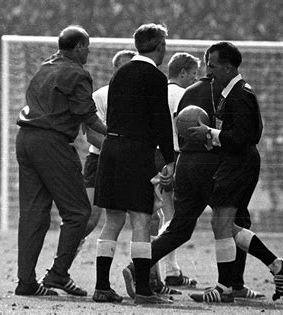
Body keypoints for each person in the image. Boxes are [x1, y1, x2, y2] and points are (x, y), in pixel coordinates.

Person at [124, 46, 265, 300]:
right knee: (235, 220)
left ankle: (138, 267)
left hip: (184, 162)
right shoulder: (222, 93)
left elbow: (179, 130)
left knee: (179, 227)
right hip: (214, 165)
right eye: (208, 65)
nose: (208, 69)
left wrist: (172, 164)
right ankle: (235, 284)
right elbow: (237, 135)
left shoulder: (186, 93)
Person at [186, 42, 283, 303]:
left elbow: (247, 136)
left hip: (240, 163)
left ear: (227, 66)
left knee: (221, 222)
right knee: (225, 223)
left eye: (212, 65)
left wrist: (210, 133)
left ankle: (224, 288)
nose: (208, 70)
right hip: (234, 161)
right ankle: (277, 265)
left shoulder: (241, 93)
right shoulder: (230, 91)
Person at [14, 25, 106, 297]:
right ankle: (58, 274)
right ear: (78, 47)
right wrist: (115, 133)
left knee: (33, 214)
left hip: (26, 139)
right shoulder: (77, 73)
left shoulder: (45, 66)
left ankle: (26, 282)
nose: (88, 51)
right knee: (78, 211)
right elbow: (89, 117)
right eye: (87, 46)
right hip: (51, 144)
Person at [93, 23, 175, 305]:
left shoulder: (120, 73)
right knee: (141, 220)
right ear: (160, 46)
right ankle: (143, 290)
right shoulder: (155, 76)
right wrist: (170, 159)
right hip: (136, 151)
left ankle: (101, 286)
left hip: (110, 148)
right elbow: (162, 121)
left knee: (113, 219)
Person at [78, 50, 137, 256]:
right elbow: (93, 135)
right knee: (90, 218)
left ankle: (153, 276)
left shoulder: (142, 98)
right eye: (124, 67)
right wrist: (121, 152)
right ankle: (62, 265)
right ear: (115, 70)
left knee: (147, 218)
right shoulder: (100, 96)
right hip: (100, 160)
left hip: (132, 164)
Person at [154, 52, 200, 288]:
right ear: (182, 72)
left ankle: (170, 270)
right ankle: (164, 270)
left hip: (156, 154)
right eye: (193, 74)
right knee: (174, 216)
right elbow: (184, 127)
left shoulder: (156, 90)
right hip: (175, 155)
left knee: (164, 212)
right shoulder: (182, 95)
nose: (195, 78)